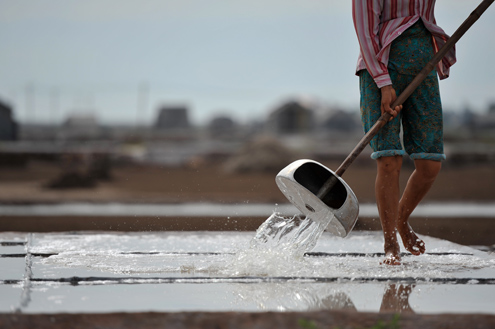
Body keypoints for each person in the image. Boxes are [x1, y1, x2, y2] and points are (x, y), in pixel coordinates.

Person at [352, 0, 456, 265]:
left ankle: (400, 219)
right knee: (389, 158)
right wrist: (383, 82)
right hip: (381, 67)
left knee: (430, 162)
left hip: (423, 63)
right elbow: (365, 31)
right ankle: (390, 243)